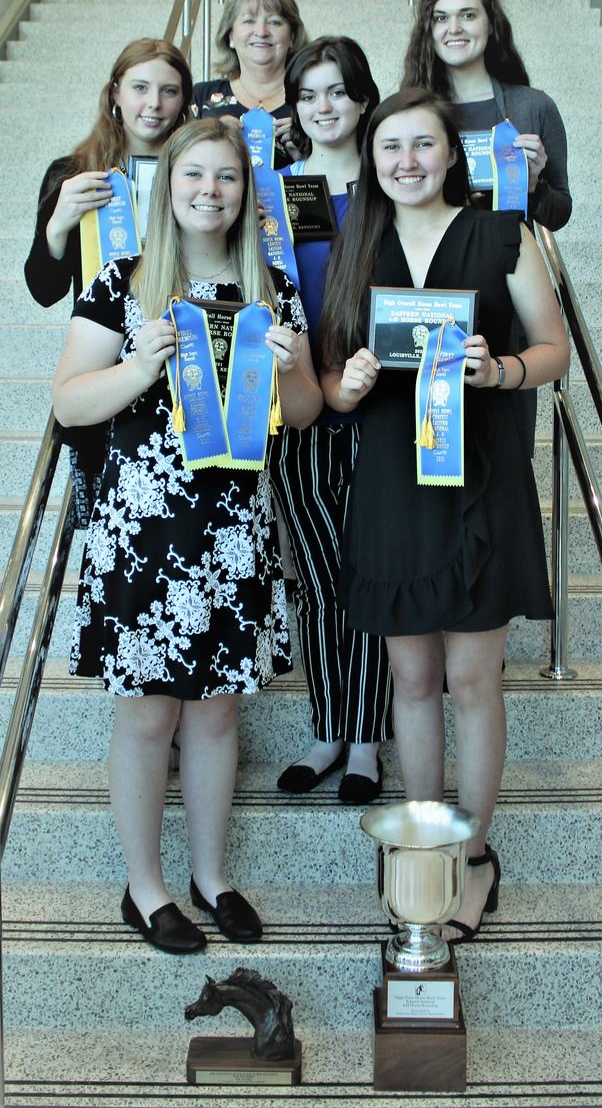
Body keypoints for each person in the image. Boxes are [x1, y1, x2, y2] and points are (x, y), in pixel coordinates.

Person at [52, 118, 322, 954]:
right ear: (165, 186)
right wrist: (139, 366)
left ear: (247, 192)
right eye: (194, 175)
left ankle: (212, 877)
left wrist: (288, 369)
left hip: (232, 526)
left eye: (228, 178)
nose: (210, 190)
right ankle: (146, 888)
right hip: (142, 527)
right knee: (147, 721)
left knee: (215, 717)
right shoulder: (123, 281)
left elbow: (306, 412)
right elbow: (68, 403)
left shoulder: (271, 283)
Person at [318, 89, 569, 942]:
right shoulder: (359, 242)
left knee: (471, 681)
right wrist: (342, 387)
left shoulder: (506, 233)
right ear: (373, 158)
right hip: (391, 482)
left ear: (450, 155)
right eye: (391, 147)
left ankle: (473, 855)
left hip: (481, 481)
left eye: (423, 145)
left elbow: (552, 350)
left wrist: (498, 371)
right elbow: (324, 380)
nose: (407, 162)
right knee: (412, 681)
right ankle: (425, 845)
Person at [269, 37, 392, 804]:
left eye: (337, 91)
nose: (324, 106)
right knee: (318, 579)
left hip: (382, 409)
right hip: (301, 409)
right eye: (309, 93)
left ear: (363, 99)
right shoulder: (272, 192)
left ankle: (367, 742)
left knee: (374, 578)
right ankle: (326, 728)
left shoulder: (394, 185)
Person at [24, 37, 194, 522]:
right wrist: (58, 225)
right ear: (115, 92)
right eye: (140, 87)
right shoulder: (72, 174)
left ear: (185, 101)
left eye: (169, 90)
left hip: (181, 358)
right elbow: (43, 289)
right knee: (111, 521)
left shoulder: (197, 175)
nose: (153, 104)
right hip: (102, 366)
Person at [401, 0, 571, 231]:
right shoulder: (408, 113)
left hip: (510, 266)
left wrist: (534, 185)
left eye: (467, 15)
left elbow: (559, 215)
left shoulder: (534, 107)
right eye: (441, 18)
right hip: (433, 266)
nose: (454, 29)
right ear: (429, 30)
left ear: (490, 23)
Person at [192, 0, 308, 169]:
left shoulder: (312, 101)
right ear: (230, 36)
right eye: (248, 21)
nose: (261, 32)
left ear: (292, 37)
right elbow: (177, 166)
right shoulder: (200, 97)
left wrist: (307, 156)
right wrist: (215, 135)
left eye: (274, 22)